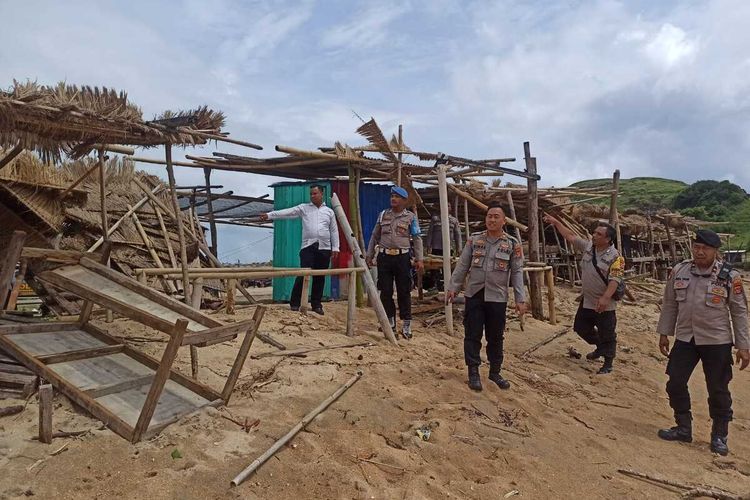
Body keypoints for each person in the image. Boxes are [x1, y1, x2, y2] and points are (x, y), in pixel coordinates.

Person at [656, 229, 749, 456]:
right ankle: (683, 427)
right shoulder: (680, 271)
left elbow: (739, 312)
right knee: (675, 382)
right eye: (696, 247)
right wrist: (664, 333)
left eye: (705, 249)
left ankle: (719, 435)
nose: (699, 252)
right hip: (686, 338)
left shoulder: (729, 276)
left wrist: (743, 346)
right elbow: (669, 304)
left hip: (717, 340)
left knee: (718, 389)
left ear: (715, 251)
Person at [446, 204, 527, 391]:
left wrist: (520, 299)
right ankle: (473, 372)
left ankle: (495, 372)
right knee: (472, 334)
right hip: (474, 294)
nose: (492, 220)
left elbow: (516, 272)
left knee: (496, 337)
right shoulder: (474, 240)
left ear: (504, 221)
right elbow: (462, 266)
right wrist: (453, 287)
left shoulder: (513, 244)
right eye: (489, 216)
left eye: (496, 217)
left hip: (497, 297)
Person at [543, 214, 624, 374]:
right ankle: (601, 347)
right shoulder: (588, 247)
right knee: (580, 327)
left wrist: (606, 298)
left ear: (608, 239)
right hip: (587, 300)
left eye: (598, 234)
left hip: (604, 302)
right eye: (594, 233)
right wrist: (556, 222)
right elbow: (570, 236)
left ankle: (608, 363)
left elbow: (615, 279)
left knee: (607, 332)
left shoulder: (616, 258)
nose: (594, 236)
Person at [260, 184, 339, 315]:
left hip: (324, 247)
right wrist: (269, 215)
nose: (312, 196)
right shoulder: (304, 208)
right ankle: (295, 303)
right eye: (311, 194)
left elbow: (334, 230)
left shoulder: (329, 212)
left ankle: (316, 304)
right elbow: (288, 212)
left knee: (320, 277)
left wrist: (335, 247)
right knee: (303, 274)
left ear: (321, 194)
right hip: (308, 246)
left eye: (315, 193)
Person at [366, 186, 424, 339]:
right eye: (392, 196)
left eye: (397, 197)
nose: (393, 199)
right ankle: (390, 322)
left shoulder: (410, 217)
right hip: (384, 258)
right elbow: (374, 236)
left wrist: (419, 259)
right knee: (385, 291)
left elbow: (417, 239)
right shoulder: (383, 215)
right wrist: (369, 254)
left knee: (404, 292)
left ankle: (406, 324)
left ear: (404, 201)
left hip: (402, 258)